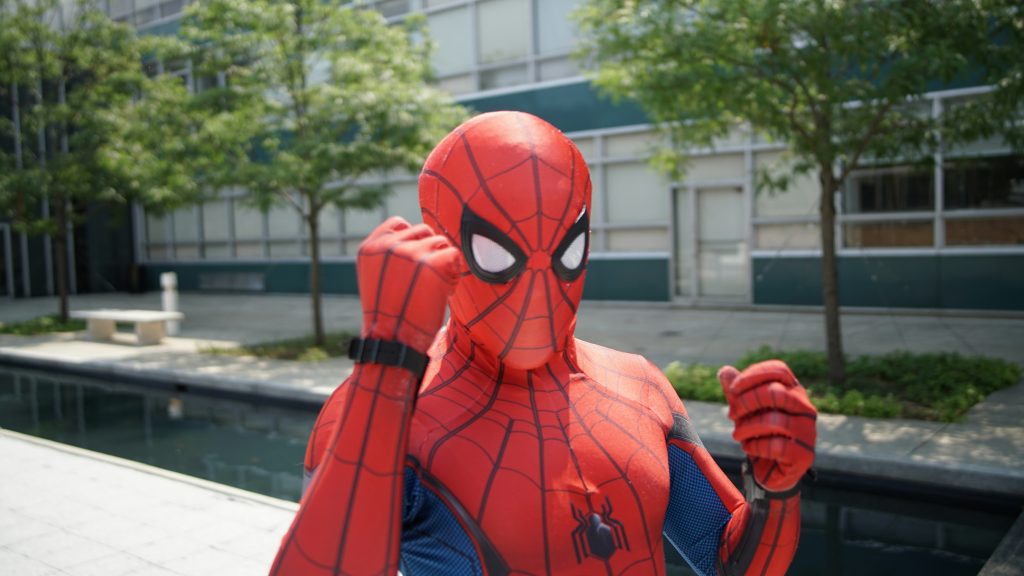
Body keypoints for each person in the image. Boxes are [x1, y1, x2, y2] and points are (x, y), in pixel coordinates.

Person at [270, 111, 817, 576]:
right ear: (442, 242)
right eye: (496, 255)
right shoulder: (386, 412)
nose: (537, 295)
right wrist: (389, 360)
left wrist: (778, 490)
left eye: (565, 252)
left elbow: (727, 560)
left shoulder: (640, 385)